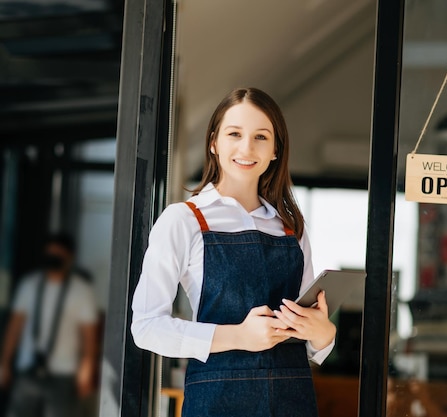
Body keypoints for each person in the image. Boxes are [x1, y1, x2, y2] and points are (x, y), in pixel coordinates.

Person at [131, 87, 336, 417]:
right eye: (234, 134)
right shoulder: (184, 220)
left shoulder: (291, 227)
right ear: (214, 143)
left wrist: (324, 334)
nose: (246, 147)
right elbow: (146, 328)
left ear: (275, 151)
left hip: (291, 401)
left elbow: (309, 338)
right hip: (217, 401)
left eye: (260, 137)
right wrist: (239, 335)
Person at [0, 234, 99, 417]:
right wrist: (5, 363)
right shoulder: (29, 285)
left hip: (64, 373)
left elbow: (89, 335)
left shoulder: (81, 290)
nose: (52, 260)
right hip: (28, 369)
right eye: (49, 255)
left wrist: (86, 369)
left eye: (58, 256)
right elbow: (14, 327)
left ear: (69, 258)